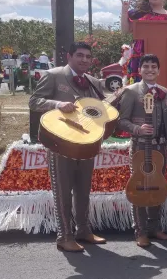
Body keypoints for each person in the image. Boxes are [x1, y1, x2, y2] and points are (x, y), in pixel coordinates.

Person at [28, 42, 108, 252]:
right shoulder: (53, 75)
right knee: (63, 191)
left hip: (86, 143)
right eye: (79, 55)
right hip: (60, 142)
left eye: (88, 57)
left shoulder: (93, 82)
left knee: (83, 190)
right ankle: (64, 236)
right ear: (69, 56)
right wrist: (57, 104)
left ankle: (83, 230)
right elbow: (34, 102)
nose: (84, 60)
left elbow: (100, 110)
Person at [117, 54, 167, 248]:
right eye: (146, 66)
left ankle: (155, 228)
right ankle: (140, 231)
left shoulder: (166, 93)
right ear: (139, 70)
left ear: (159, 70)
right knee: (139, 186)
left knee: (157, 185)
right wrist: (136, 129)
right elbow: (121, 120)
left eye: (153, 66)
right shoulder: (131, 92)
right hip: (140, 145)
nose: (150, 70)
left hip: (160, 146)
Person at [120, 0, 167, 87]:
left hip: (166, 57)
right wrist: (124, 12)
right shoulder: (139, 14)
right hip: (141, 55)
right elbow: (125, 30)